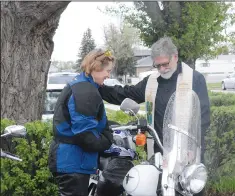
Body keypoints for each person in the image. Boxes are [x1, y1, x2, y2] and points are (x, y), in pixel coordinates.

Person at [99, 37, 210, 195]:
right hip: (159, 151)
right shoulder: (152, 81)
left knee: (188, 191)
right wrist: (99, 88)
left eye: (165, 64)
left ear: (175, 57)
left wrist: (194, 146)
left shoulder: (194, 79)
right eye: (158, 65)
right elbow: (126, 93)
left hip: (187, 151)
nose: (162, 69)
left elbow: (204, 117)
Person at [48, 49, 115, 196]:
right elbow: (85, 135)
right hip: (74, 163)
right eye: (107, 71)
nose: (108, 75)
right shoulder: (85, 91)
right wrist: (108, 139)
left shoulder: (82, 85)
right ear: (96, 67)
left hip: (71, 161)